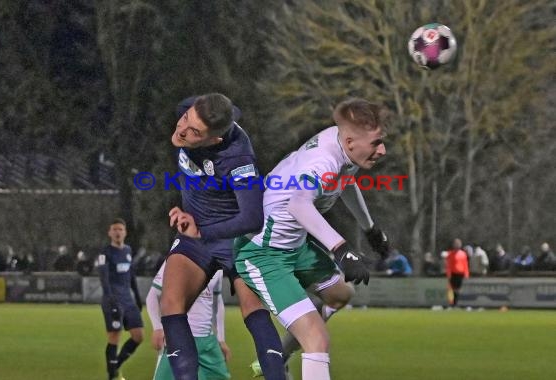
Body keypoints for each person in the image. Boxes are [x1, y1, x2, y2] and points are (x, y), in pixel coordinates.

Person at [235, 98, 390, 380]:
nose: (383, 150)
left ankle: (277, 360)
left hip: (295, 245)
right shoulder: (322, 160)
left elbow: (344, 183)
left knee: (340, 295)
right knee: (317, 339)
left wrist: (370, 229)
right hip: (263, 253)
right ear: (351, 141)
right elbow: (299, 204)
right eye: (377, 142)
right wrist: (342, 249)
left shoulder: (346, 147)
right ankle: (281, 360)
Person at [160, 93, 286, 380]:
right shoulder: (197, 111)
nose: (182, 130)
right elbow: (225, 108)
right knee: (170, 303)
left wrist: (202, 230)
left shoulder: (238, 158)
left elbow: (252, 219)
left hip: (235, 239)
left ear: (214, 140)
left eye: (194, 132)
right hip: (197, 235)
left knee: (252, 309)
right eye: (185, 120)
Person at [147, 262, 230, 380]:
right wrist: (157, 327)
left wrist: (221, 339)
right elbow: (153, 295)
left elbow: (217, 301)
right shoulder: (176, 258)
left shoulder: (217, 263)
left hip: (208, 342)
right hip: (180, 339)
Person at [97, 218, 144, 380]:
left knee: (138, 336)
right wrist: (110, 299)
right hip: (113, 300)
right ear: (110, 233)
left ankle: (115, 366)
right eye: (114, 229)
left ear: (125, 232)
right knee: (114, 336)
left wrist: (137, 298)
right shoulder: (105, 253)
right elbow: (103, 278)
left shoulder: (128, 251)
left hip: (128, 300)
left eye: (120, 229)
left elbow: (131, 276)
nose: (117, 232)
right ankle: (112, 375)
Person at [445, 238, 469, 307]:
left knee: (457, 289)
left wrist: (466, 273)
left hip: (460, 274)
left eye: (458, 244)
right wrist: (448, 274)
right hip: (453, 273)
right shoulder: (450, 254)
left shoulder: (463, 254)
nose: (457, 245)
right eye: (456, 244)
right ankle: (451, 303)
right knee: (451, 289)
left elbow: (465, 264)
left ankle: (455, 303)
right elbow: (448, 265)